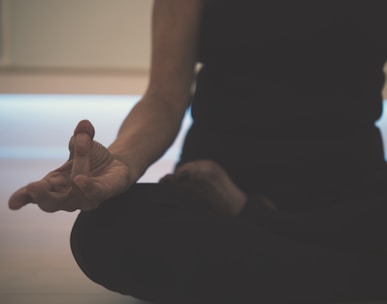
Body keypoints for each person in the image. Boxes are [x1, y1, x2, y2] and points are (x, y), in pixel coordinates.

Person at [8, 0, 387, 303]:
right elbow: (164, 97)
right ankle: (344, 278)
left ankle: (261, 251)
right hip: (209, 194)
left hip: (348, 195)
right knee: (103, 232)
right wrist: (121, 163)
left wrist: (247, 212)